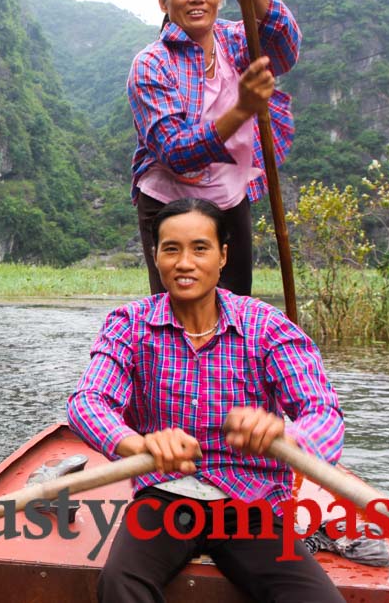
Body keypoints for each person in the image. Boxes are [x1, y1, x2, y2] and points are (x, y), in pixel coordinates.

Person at [67, 197, 344, 603]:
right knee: (120, 584)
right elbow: (87, 401)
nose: (185, 263)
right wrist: (139, 445)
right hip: (165, 497)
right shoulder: (129, 324)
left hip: (252, 502)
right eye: (171, 249)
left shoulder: (266, 326)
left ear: (222, 256)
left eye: (200, 248)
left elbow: (325, 415)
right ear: (155, 256)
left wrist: (285, 434)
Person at [128, 0, 300, 296]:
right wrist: (242, 108)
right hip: (169, 204)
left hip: (229, 199)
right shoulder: (150, 64)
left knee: (233, 307)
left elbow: (285, 51)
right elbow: (176, 151)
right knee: (179, 311)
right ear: (164, 2)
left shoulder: (234, 39)